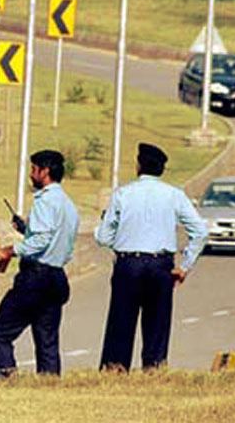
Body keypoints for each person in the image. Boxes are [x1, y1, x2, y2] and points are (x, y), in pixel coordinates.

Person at [95, 142, 208, 371]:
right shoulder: (174, 195)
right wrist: (185, 265)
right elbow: (200, 231)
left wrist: (112, 230)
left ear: (139, 166)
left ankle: (115, 368)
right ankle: (154, 368)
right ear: (162, 170)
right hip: (160, 264)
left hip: (129, 263)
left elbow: (103, 237)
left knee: (121, 321)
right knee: (157, 323)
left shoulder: (123, 194)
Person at [0, 150, 79, 378]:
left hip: (36, 278)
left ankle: (9, 380)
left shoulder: (45, 201)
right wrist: (25, 230)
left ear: (45, 172)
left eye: (34, 169)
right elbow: (57, 241)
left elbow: (42, 240)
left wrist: (8, 251)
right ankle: (49, 385)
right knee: (47, 341)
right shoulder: (69, 205)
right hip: (56, 275)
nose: (31, 175)